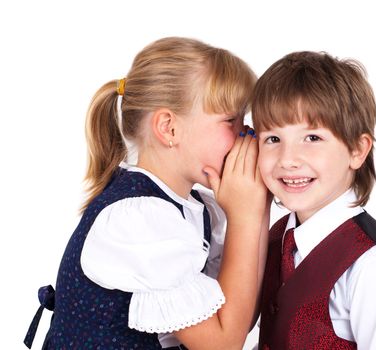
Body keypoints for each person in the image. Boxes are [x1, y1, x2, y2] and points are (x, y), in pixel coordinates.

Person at [24, 37, 268, 350]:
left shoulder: (196, 209)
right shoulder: (138, 219)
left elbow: (237, 316)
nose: (245, 135)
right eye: (231, 120)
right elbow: (222, 343)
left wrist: (255, 207)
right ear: (169, 128)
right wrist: (245, 217)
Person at [252, 51, 376, 349]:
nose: (288, 159)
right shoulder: (276, 236)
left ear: (358, 150)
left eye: (313, 138)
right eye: (273, 139)